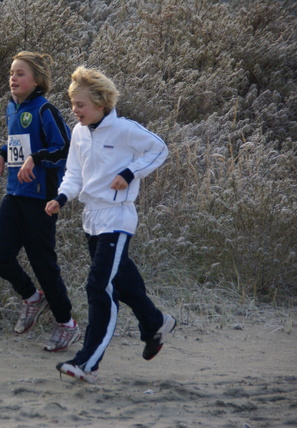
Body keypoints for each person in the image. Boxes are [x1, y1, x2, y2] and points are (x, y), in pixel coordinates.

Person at [45, 66, 176, 382]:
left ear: (101, 103)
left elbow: (159, 149)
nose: (75, 110)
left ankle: (86, 364)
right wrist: (61, 198)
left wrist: (131, 173)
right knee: (122, 282)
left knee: (99, 286)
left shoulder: (124, 130)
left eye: (81, 105)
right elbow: (74, 174)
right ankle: (155, 321)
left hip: (118, 218)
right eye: (73, 104)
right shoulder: (78, 132)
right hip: (92, 218)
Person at [0, 51, 80, 352]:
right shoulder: (12, 108)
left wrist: (35, 160)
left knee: (43, 264)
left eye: (20, 73)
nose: (13, 78)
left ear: (37, 80)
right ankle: (31, 298)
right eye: (11, 73)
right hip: (14, 194)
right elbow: (16, 140)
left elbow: (64, 148)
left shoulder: (45, 110)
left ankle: (67, 324)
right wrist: (1, 153)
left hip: (41, 198)